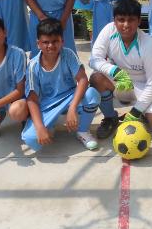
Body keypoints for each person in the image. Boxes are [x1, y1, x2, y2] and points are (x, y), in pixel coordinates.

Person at [89, 0, 152, 138]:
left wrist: (136, 111)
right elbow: (94, 60)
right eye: (121, 19)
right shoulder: (108, 30)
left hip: (145, 86)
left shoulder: (150, 45)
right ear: (114, 20)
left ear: (139, 21)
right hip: (121, 83)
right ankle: (110, 117)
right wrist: (115, 71)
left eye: (131, 20)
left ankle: (142, 113)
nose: (126, 25)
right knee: (96, 78)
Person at [21, 18, 100, 151]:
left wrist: (72, 108)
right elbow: (32, 99)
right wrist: (40, 127)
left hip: (69, 97)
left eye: (55, 41)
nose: (51, 45)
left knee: (92, 94)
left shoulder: (68, 54)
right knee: (31, 140)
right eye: (46, 42)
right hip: (47, 105)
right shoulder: (33, 65)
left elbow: (82, 79)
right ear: (38, 44)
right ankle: (50, 124)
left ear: (62, 41)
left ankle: (82, 131)